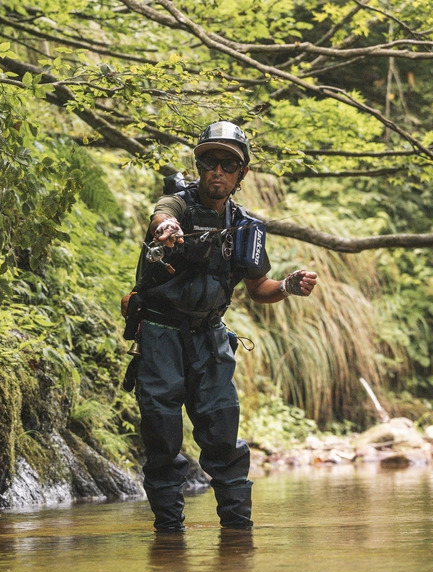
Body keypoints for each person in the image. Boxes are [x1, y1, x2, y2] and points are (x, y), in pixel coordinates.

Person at [125, 121, 317, 532]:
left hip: (210, 340)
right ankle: (169, 541)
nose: (218, 171)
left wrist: (287, 286)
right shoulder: (175, 205)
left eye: (228, 164)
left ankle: (237, 541)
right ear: (198, 165)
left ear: (240, 174)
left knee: (224, 440)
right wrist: (167, 229)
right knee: (162, 439)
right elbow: (162, 215)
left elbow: (259, 287)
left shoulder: (247, 227)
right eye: (210, 161)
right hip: (160, 336)